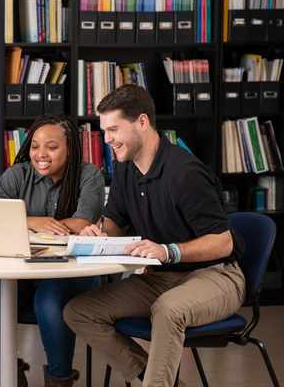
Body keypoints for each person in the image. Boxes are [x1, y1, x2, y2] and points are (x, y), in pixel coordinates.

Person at [63, 85, 246, 387]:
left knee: (168, 309)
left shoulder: (185, 173)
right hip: (163, 277)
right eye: (104, 131)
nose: (107, 139)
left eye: (113, 130)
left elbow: (223, 242)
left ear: (142, 122)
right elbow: (115, 223)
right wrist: (97, 230)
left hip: (216, 275)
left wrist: (168, 251)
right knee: (79, 311)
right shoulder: (125, 169)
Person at [0, 116, 105, 387]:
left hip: (71, 273)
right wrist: (33, 221)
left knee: (48, 300)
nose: (41, 154)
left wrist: (22, 222)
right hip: (23, 273)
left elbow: (82, 223)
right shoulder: (16, 175)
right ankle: (8, 373)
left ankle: (59, 379)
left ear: (70, 148)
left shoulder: (89, 174)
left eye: (52, 147)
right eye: (35, 146)